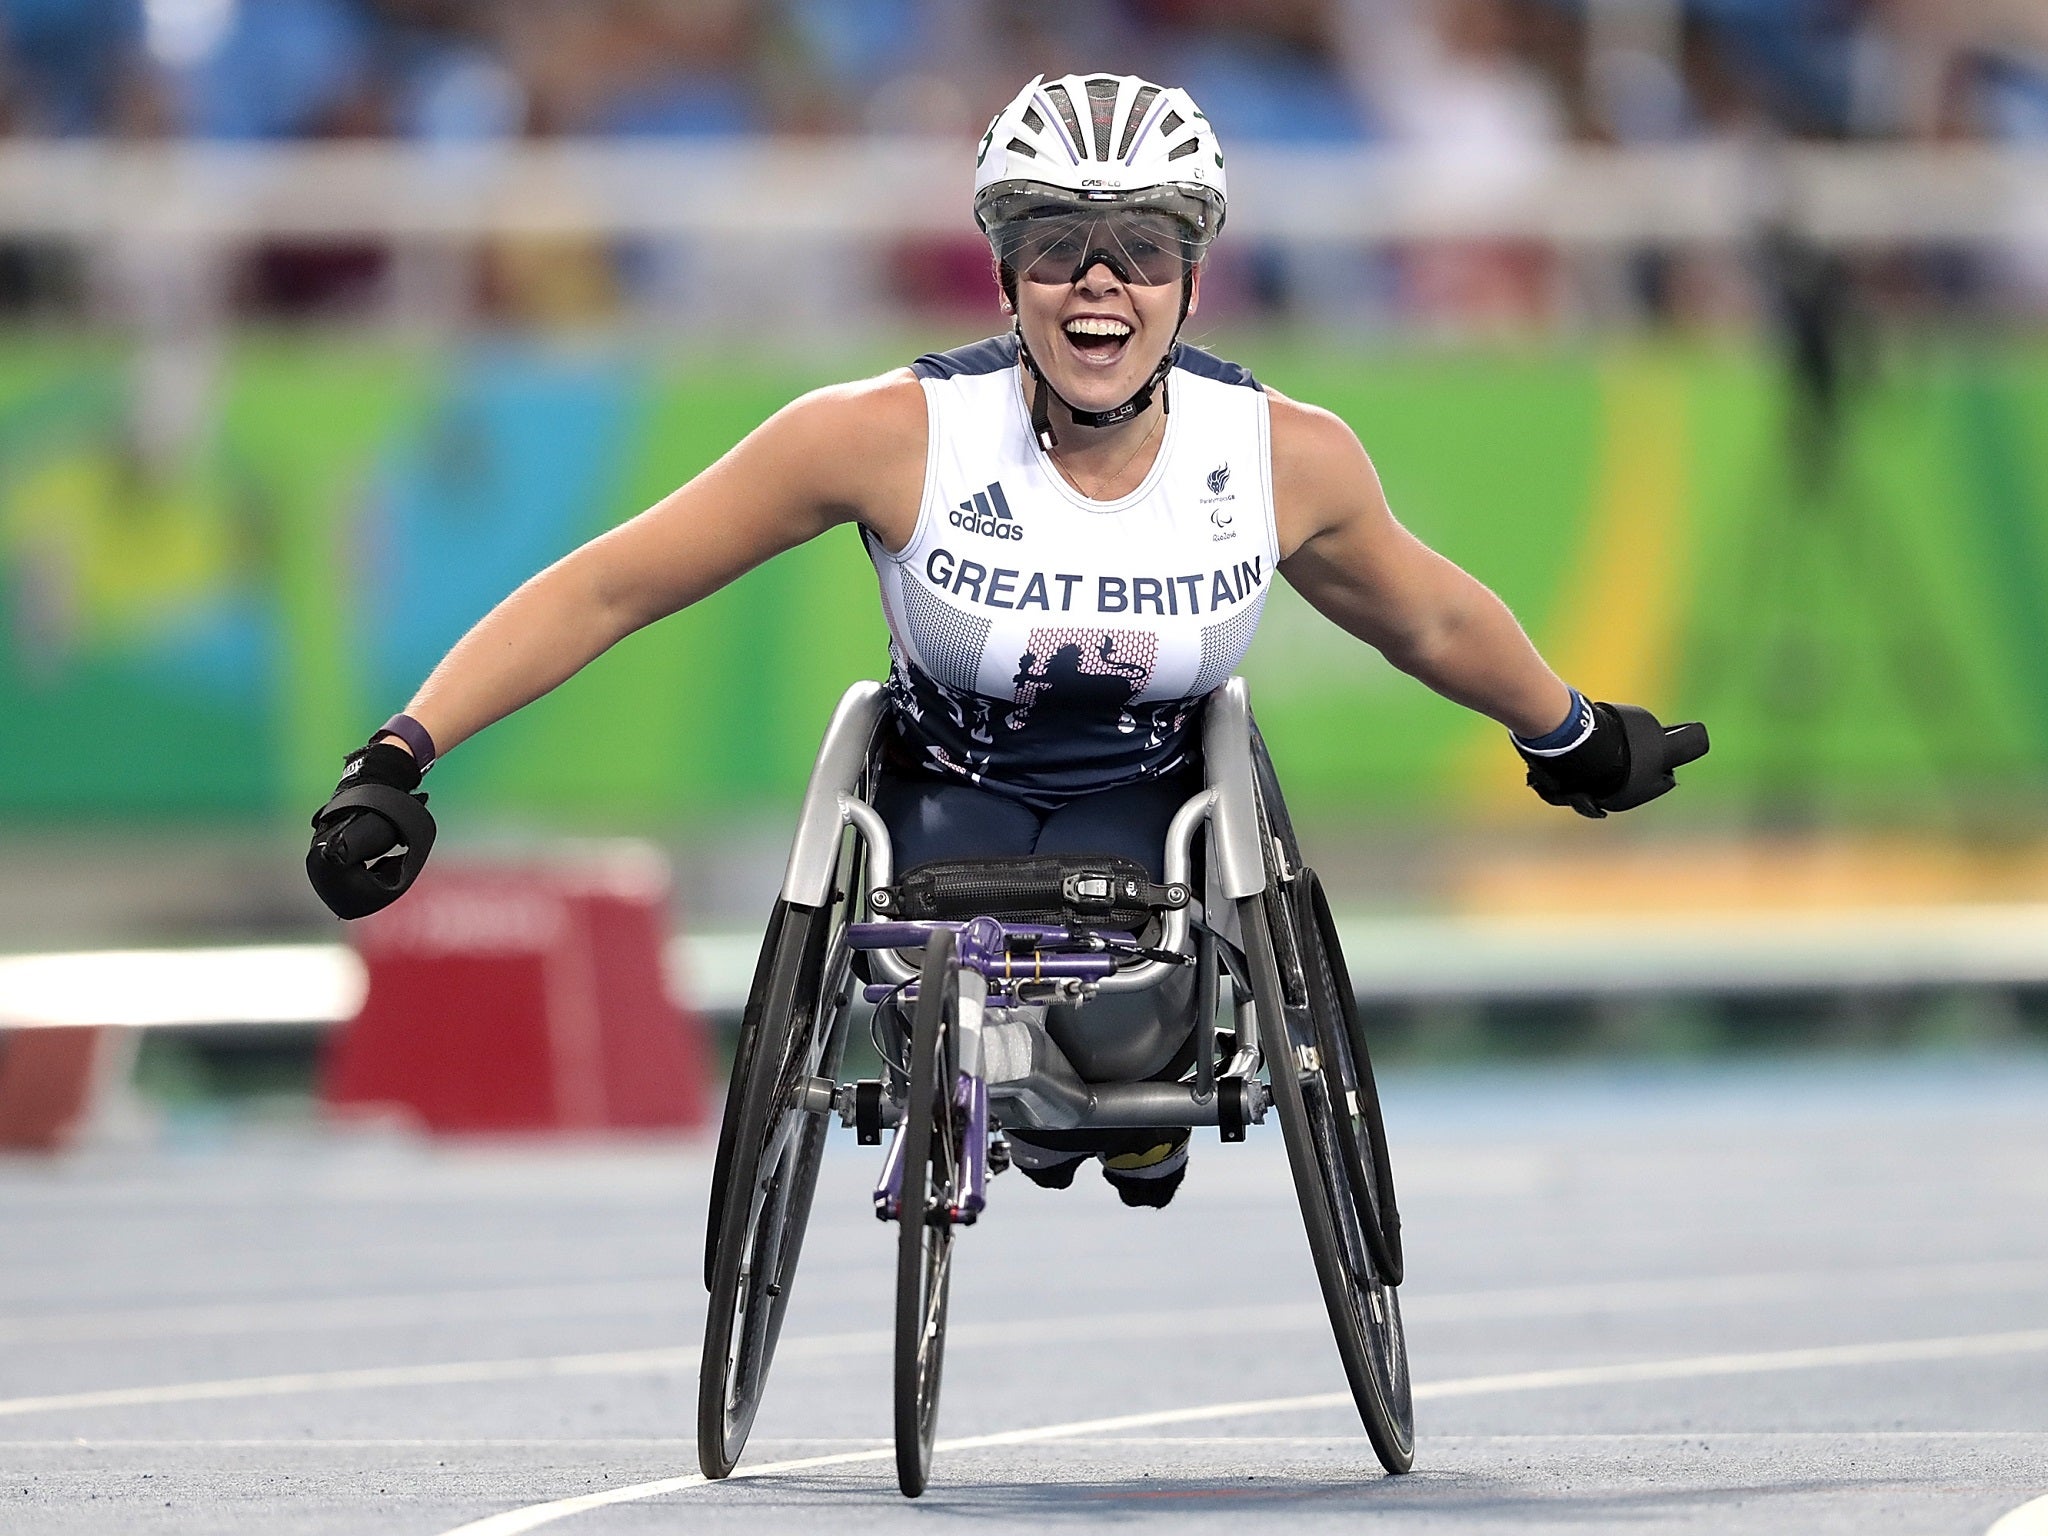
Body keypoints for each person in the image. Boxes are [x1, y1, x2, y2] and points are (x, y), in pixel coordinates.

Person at [308, 72, 1706, 1207]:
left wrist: (1572, 731)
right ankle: (1041, 1098)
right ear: (1005, 275)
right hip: (938, 807)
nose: (1099, 284)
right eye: (1058, 248)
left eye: (1141, 251)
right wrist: (401, 750)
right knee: (973, 1031)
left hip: (1152, 827)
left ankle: (1111, 1110)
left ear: (1191, 283)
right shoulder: (881, 436)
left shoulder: (1283, 456)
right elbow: (614, 583)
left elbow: (1431, 612)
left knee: (1119, 1056)